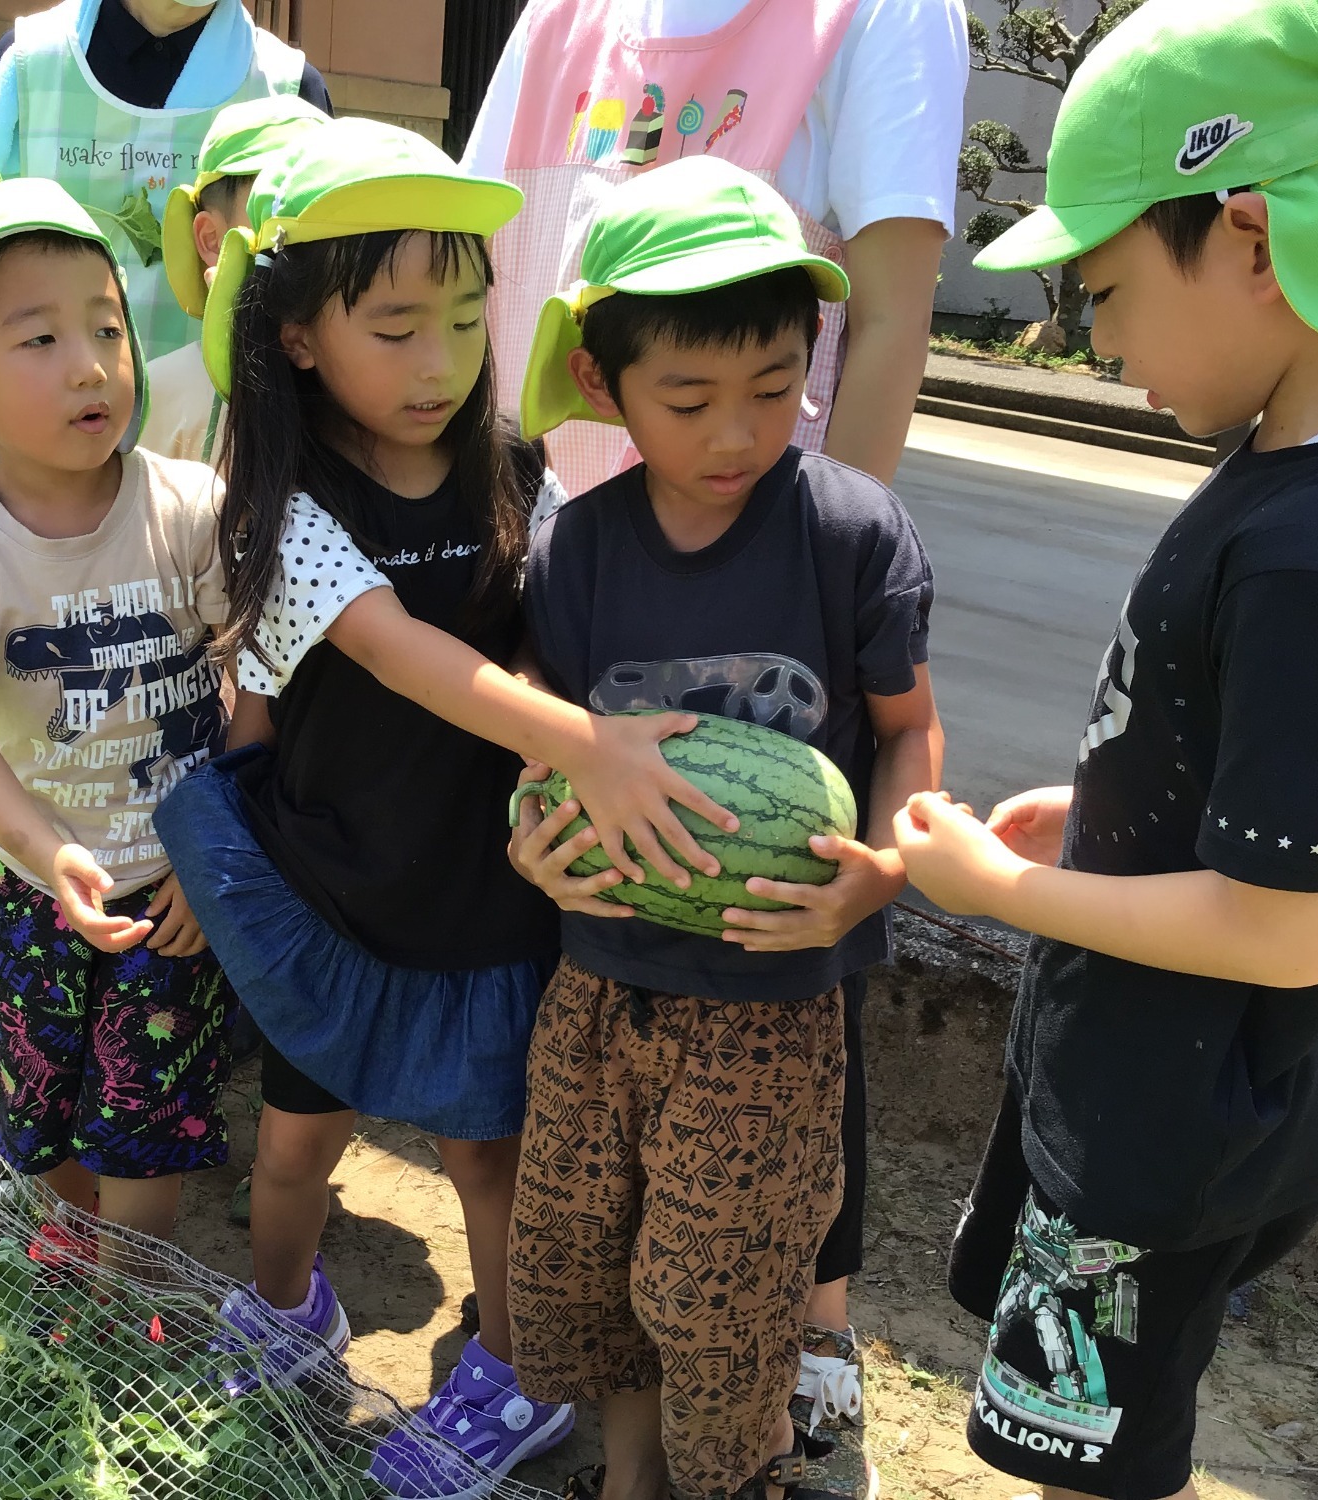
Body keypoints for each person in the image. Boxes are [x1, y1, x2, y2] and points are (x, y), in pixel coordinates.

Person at [889, 4, 1318, 1498]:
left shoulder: (1317, 551)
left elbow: (1283, 926)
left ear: (1254, 238)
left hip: (1165, 1127)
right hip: (1162, 1080)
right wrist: (1107, 801)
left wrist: (1000, 896)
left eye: (1108, 289)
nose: (1095, 338)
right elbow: (1269, 762)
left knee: (1085, 1461)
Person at [150, 117, 752, 1498]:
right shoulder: (281, 490)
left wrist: (559, 740)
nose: (442, 362)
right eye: (398, 326)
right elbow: (392, 649)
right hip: (332, 883)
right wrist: (583, 739)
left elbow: (512, 636)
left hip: (481, 889)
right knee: (298, 1140)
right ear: (297, 336)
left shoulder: (506, 462)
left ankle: (520, 1376)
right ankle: (289, 1313)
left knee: (496, 1159)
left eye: (470, 320)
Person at [460, 6, 968, 1429]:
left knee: (718, 1285)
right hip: (598, 979)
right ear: (609, 389)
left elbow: (912, 733)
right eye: (688, 398)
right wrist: (535, 848)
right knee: (585, 1262)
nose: (739, 432)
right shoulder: (573, 552)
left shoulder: (853, 536)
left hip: (774, 999)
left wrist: (884, 867)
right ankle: (629, 1463)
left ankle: (733, 1463)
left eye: (771, 386)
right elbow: (543, 744)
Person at [0, 178, 234, 1247]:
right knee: (41, 1115)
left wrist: (208, 851)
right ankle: (65, 1274)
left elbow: (243, 683)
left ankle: (131, 1323)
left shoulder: (189, 508)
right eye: (38, 337)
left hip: (173, 886)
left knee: (147, 1123)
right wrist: (47, 851)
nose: (91, 363)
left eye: (107, 325)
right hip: (30, 884)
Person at [460, 0, 968, 490]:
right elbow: (471, 264)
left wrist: (829, 553)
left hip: (744, 549)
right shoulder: (557, 14)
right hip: (519, 525)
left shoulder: (887, 11)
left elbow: (891, 321)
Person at [0, 0, 331, 367]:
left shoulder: (289, 90)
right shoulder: (28, 63)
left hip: (217, 417)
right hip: (35, 410)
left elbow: (315, 299)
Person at [146, 94, 330, 461]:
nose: (304, 238)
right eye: (276, 208)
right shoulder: (156, 393)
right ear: (210, 239)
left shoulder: (357, 378)